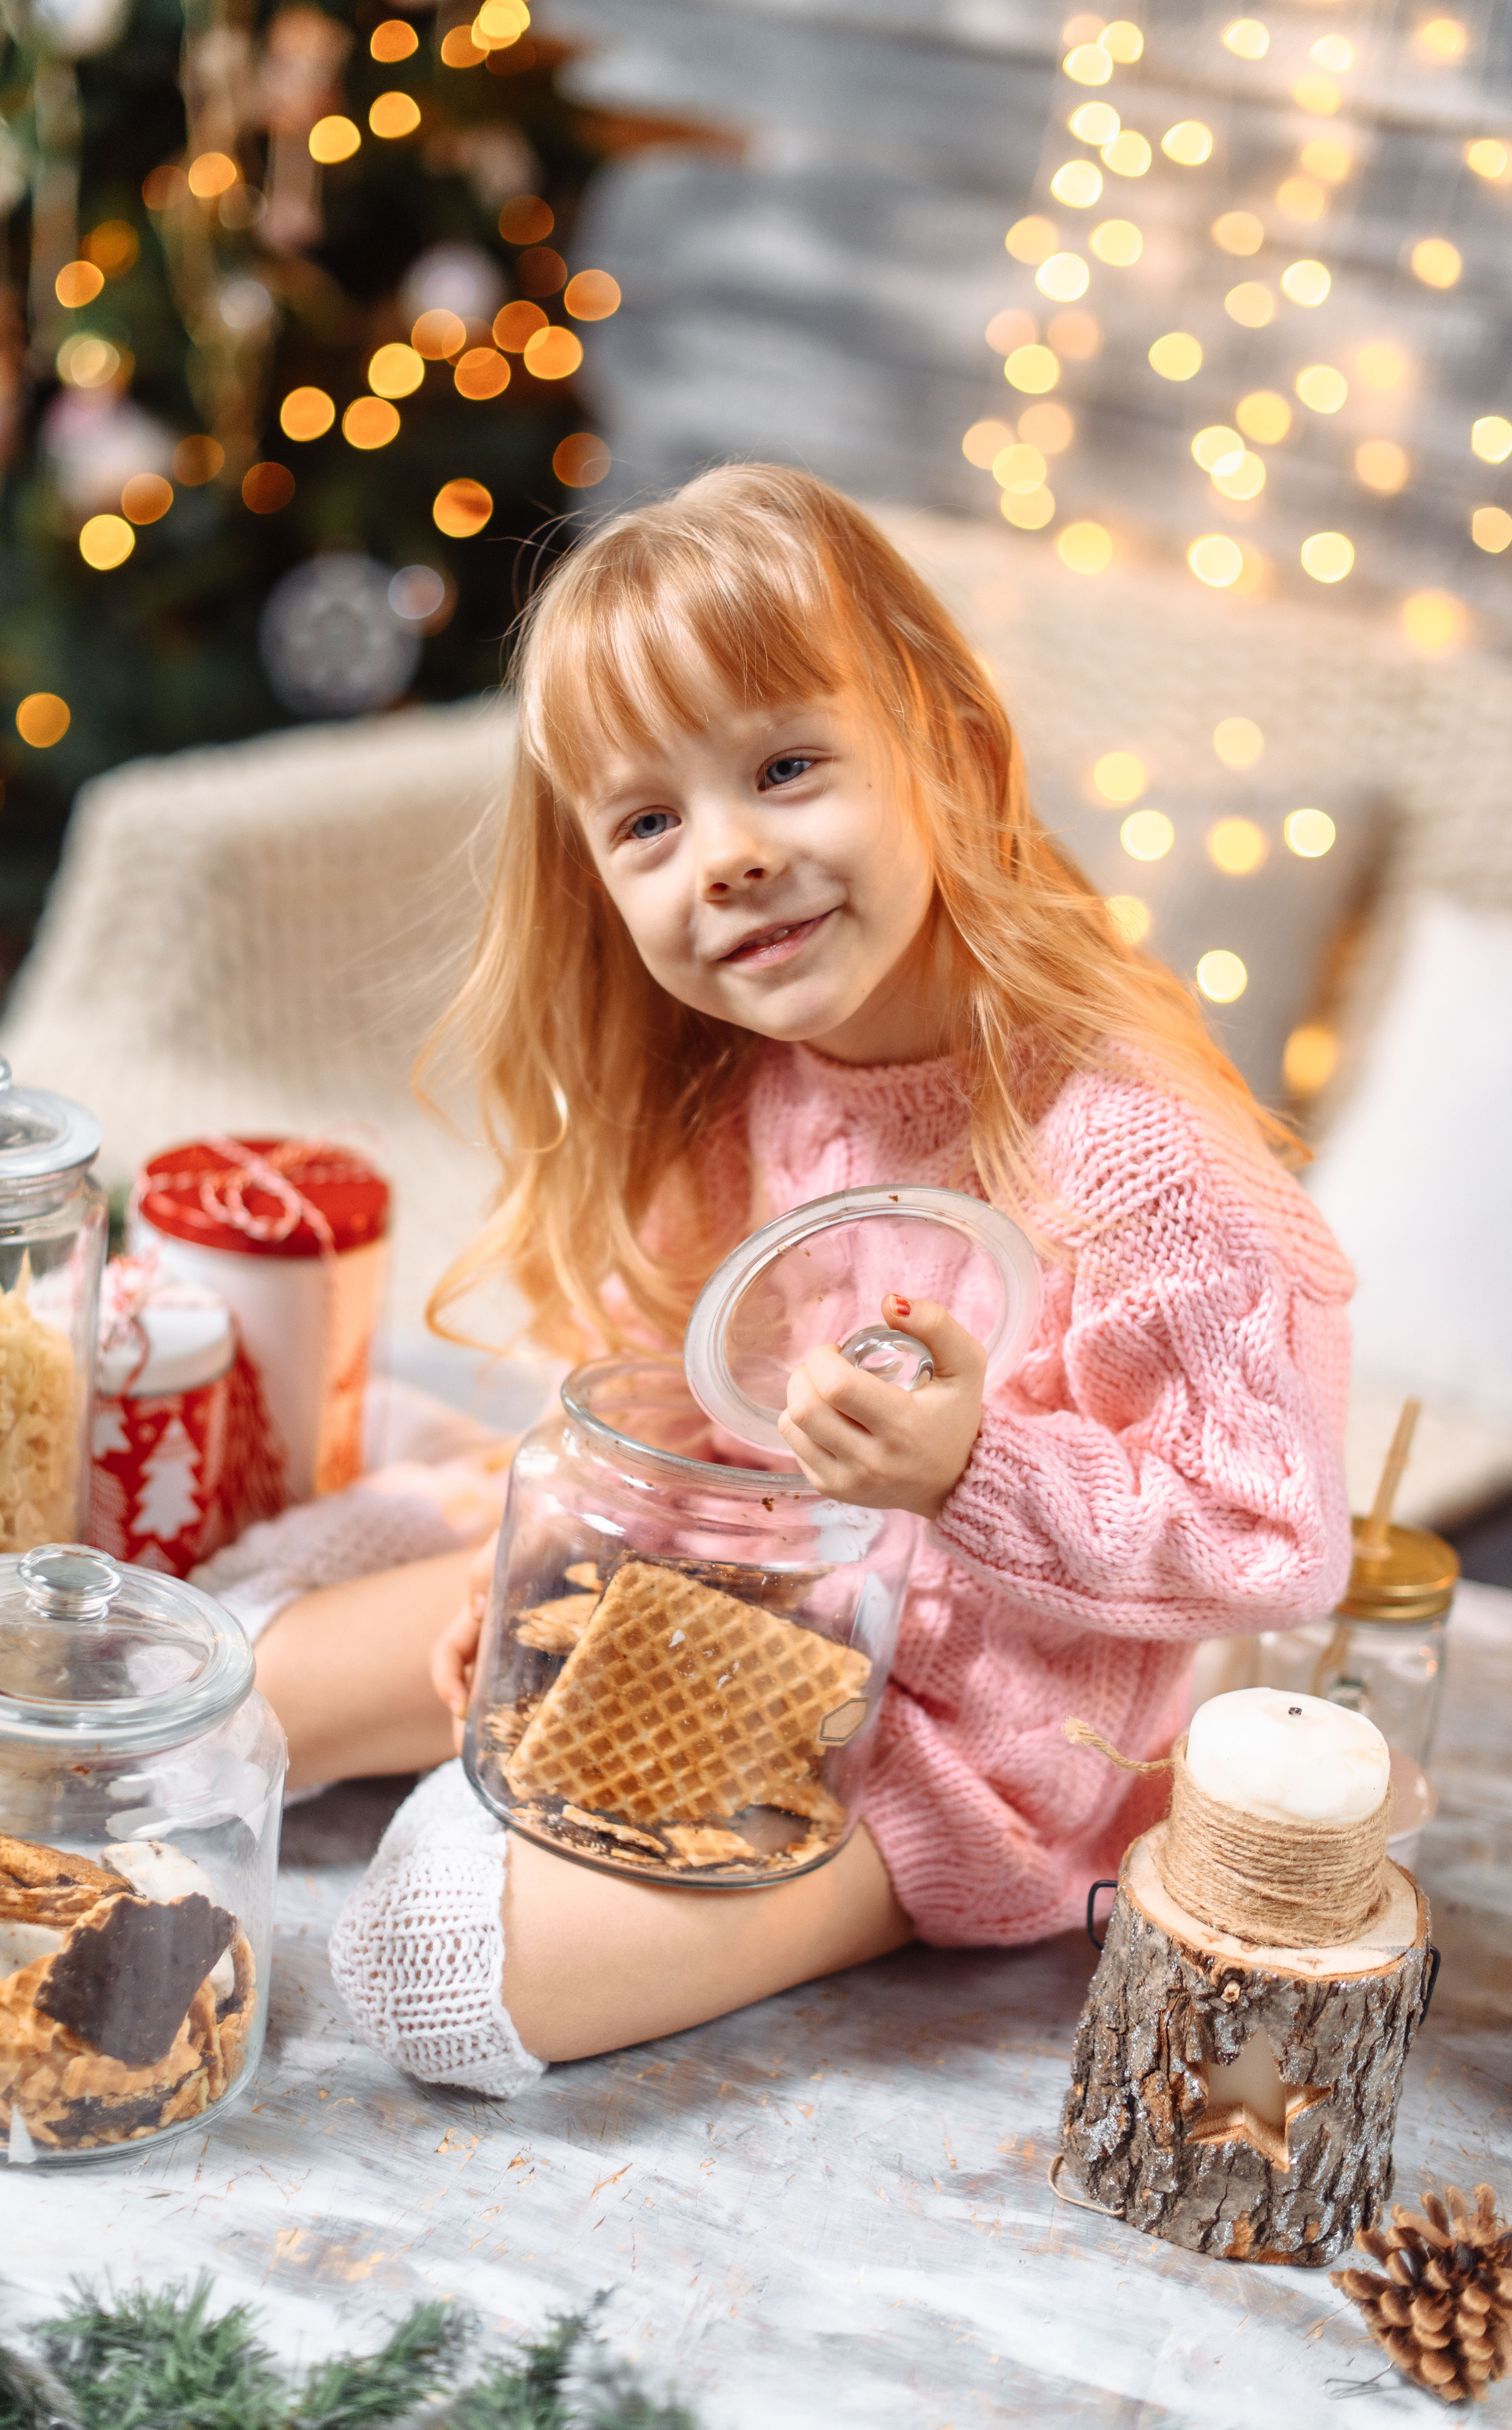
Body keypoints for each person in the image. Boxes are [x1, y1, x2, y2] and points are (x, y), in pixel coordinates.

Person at [253, 464, 1355, 2097]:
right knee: (237, 1684)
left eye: (783, 768)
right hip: (731, 1615)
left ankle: (497, 1818)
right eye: (647, 822)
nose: (726, 858)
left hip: (957, 1755)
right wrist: (553, 1613)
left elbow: (1273, 1537)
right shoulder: (745, 1093)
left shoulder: (1127, 1153)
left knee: (429, 1971)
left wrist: (969, 1470)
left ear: (941, 748)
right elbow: (664, 1412)